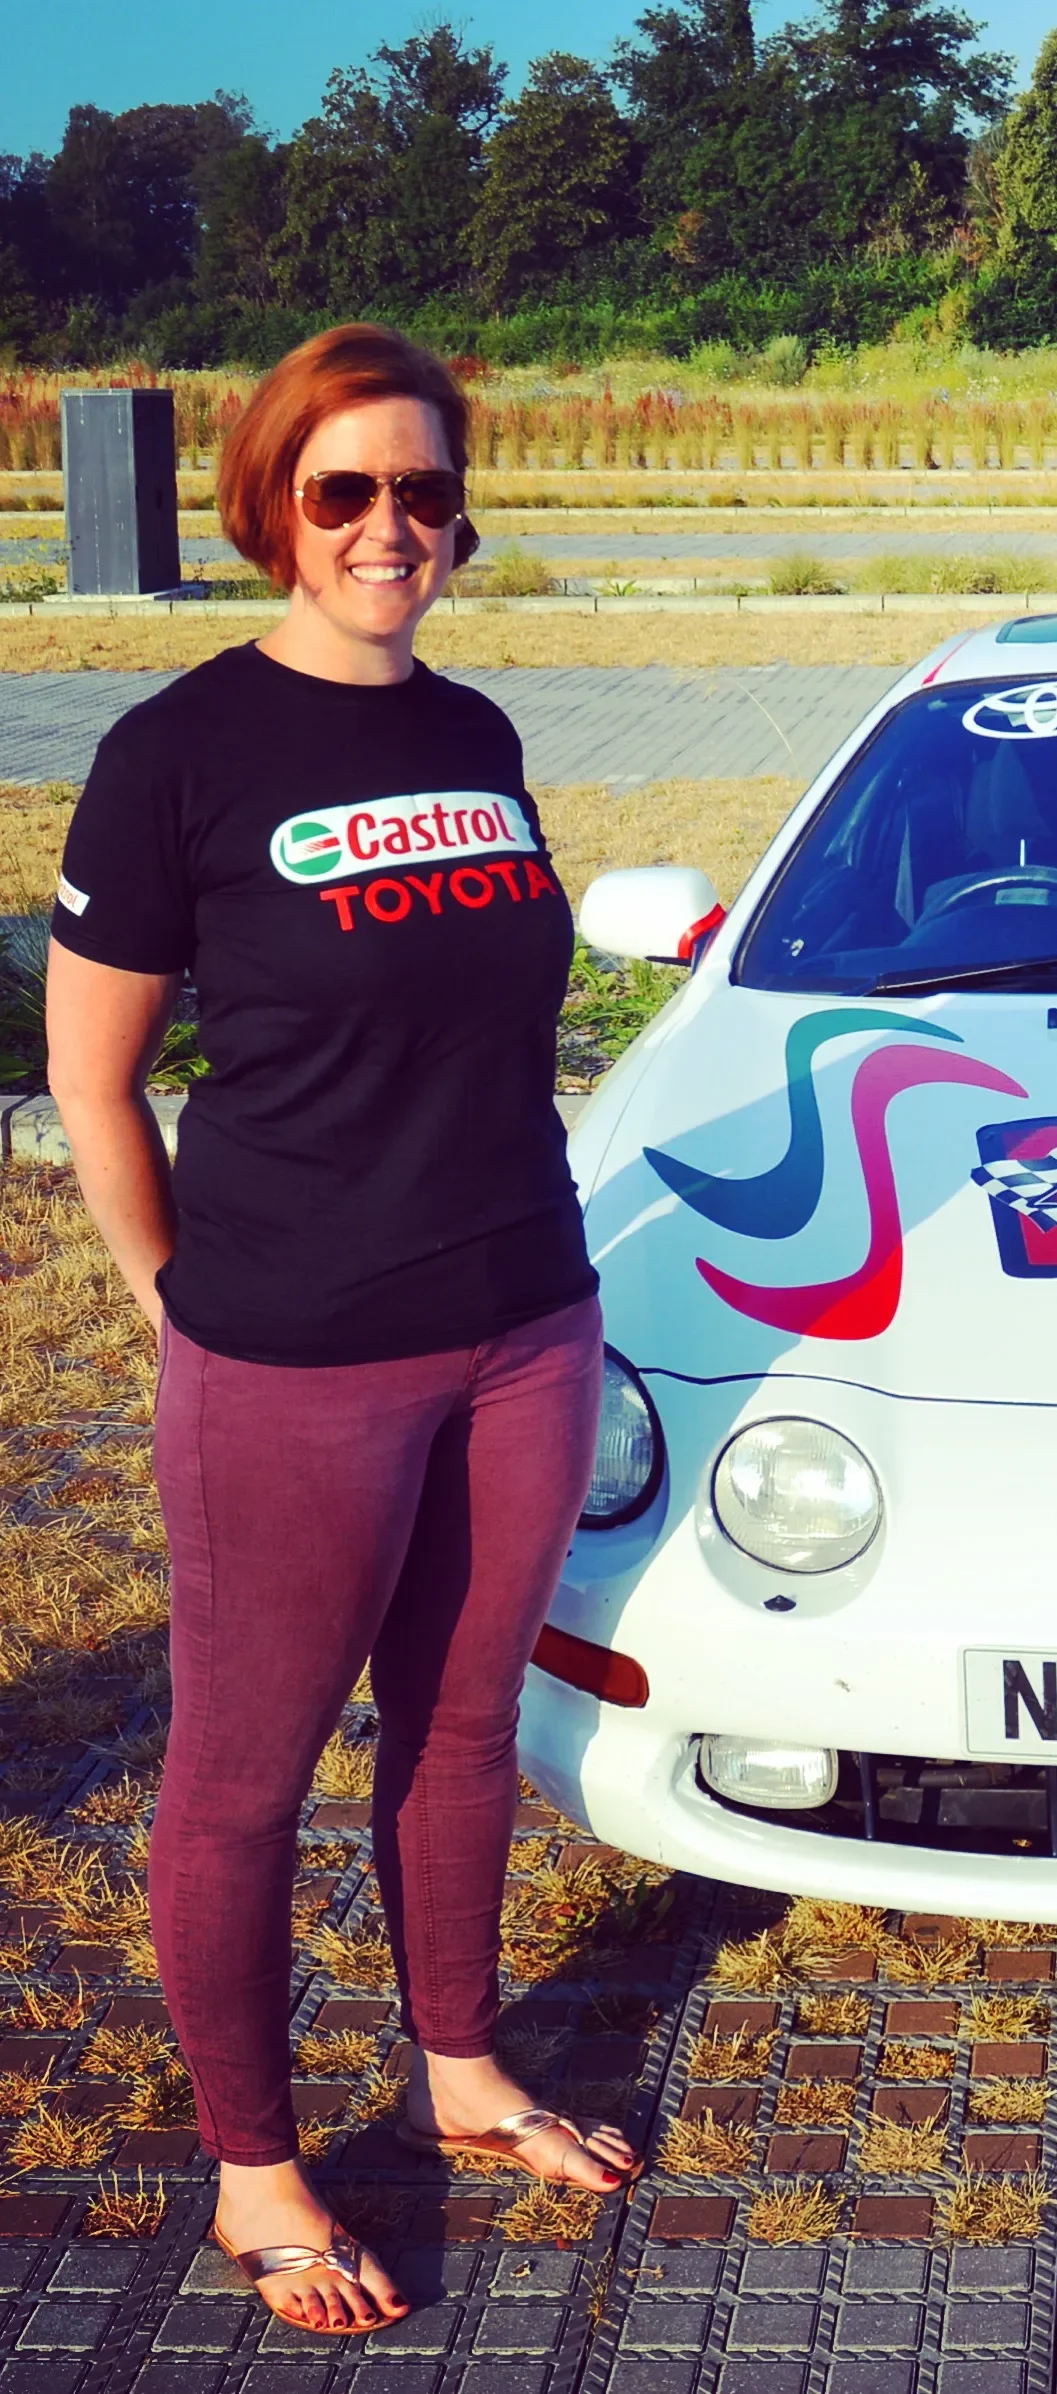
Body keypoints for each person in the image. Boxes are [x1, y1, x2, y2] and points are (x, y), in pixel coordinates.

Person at [46, 323, 639, 2337]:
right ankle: (254, 2173)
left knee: (465, 1728)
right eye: (345, 491)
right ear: (271, 509)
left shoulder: (474, 738)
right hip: (297, 1350)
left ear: (462, 517)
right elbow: (97, 1082)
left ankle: (460, 2068)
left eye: (425, 491)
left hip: (522, 1323)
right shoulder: (176, 760)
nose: (390, 527)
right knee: (245, 1772)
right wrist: (172, 1302)